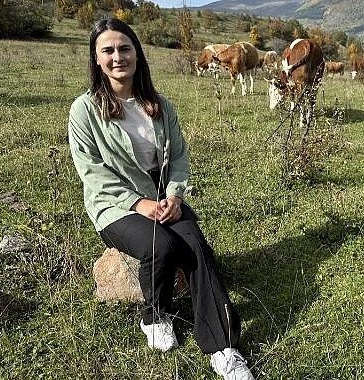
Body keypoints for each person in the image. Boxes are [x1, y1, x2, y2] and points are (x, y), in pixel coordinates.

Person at [68, 18, 254, 380]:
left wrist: (173, 196)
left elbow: (179, 157)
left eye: (125, 48)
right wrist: (139, 204)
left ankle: (223, 348)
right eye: (108, 50)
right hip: (114, 205)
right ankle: (155, 314)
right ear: (96, 58)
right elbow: (93, 173)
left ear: (137, 53)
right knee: (162, 246)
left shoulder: (159, 104)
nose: (117, 56)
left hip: (162, 194)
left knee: (197, 247)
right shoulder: (84, 110)